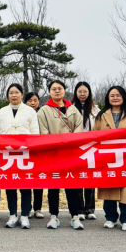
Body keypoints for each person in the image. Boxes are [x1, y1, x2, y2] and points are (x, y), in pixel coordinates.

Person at [37, 80, 85, 230]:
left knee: (72, 186)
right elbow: (43, 132)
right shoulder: (44, 110)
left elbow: (79, 128)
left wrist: (69, 142)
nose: (57, 91)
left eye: (60, 88)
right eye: (54, 89)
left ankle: (75, 216)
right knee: (53, 186)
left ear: (64, 90)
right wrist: (57, 144)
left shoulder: (73, 109)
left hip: (70, 153)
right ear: (49, 92)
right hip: (53, 153)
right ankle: (54, 216)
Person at [93, 86, 126, 232]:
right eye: (112, 95)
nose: (115, 98)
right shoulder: (101, 116)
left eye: (118, 95)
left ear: (123, 97)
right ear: (108, 98)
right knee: (109, 190)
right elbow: (94, 136)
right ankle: (110, 218)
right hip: (107, 158)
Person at [0, 84, 40, 229]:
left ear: (22, 94)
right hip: (7, 153)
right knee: (10, 186)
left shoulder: (30, 111)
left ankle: (25, 215)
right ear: (7, 95)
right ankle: (12, 215)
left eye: (17, 92)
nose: (14, 95)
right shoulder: (2, 111)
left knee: (26, 185)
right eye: (11, 92)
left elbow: (35, 133)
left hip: (25, 152)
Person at [72, 81, 100, 221]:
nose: (82, 94)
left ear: (89, 93)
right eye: (80, 91)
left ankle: (90, 209)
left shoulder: (95, 110)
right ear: (75, 93)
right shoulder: (70, 108)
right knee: (77, 178)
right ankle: (79, 209)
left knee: (90, 178)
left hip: (91, 147)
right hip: (76, 147)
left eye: (85, 92)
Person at [24, 91, 45, 219]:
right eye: (30, 100)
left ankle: (38, 208)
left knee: (39, 180)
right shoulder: (23, 114)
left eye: (35, 100)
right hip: (26, 151)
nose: (33, 103)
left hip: (39, 150)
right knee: (27, 180)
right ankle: (28, 208)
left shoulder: (42, 113)